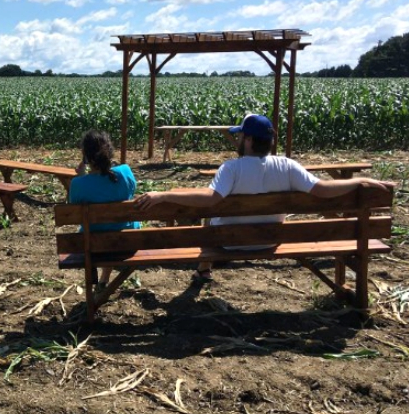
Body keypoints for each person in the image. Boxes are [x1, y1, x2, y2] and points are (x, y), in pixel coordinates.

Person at [135, 113, 392, 282]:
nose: (237, 139)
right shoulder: (288, 166)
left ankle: (204, 270)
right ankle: (204, 269)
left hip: (230, 243)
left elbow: (210, 198)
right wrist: (360, 181)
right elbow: (322, 190)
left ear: (248, 140)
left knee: (211, 221)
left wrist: (163, 194)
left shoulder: (231, 168)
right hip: (271, 241)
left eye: (239, 135)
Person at [69, 129, 140, 290]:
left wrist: (81, 176)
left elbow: (74, 207)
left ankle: (101, 282)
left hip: (93, 247)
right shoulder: (126, 173)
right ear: (110, 152)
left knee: (100, 229)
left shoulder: (79, 184)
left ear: (86, 156)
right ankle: (103, 281)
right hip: (128, 243)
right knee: (115, 226)